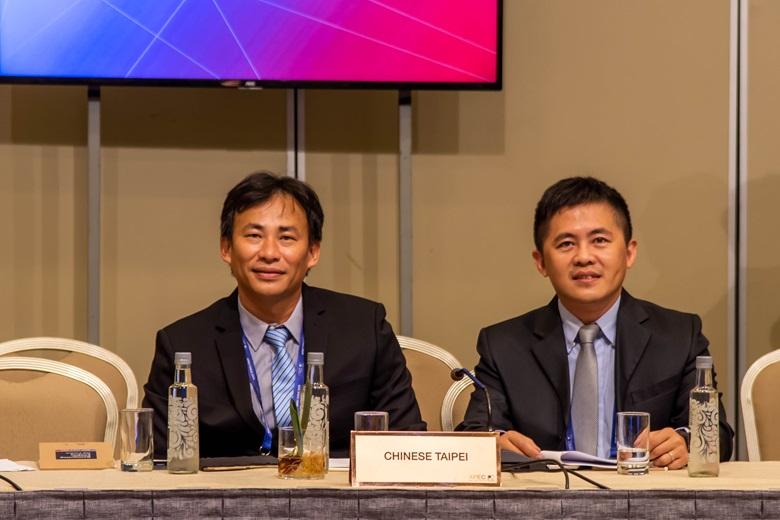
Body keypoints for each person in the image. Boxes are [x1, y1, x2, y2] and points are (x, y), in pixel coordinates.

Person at [143, 171, 425, 459]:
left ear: (312, 252)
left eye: (286, 237)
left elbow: (408, 443)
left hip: (332, 486)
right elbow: (160, 459)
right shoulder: (182, 343)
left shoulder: (364, 328)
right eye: (254, 235)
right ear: (226, 247)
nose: (269, 253)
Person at [459, 176, 734, 469]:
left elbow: (718, 435)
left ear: (629, 253)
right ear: (541, 262)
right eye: (566, 244)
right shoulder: (503, 346)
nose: (584, 257)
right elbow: (474, 434)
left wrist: (685, 442)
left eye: (599, 240)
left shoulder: (679, 337)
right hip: (544, 493)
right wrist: (494, 445)